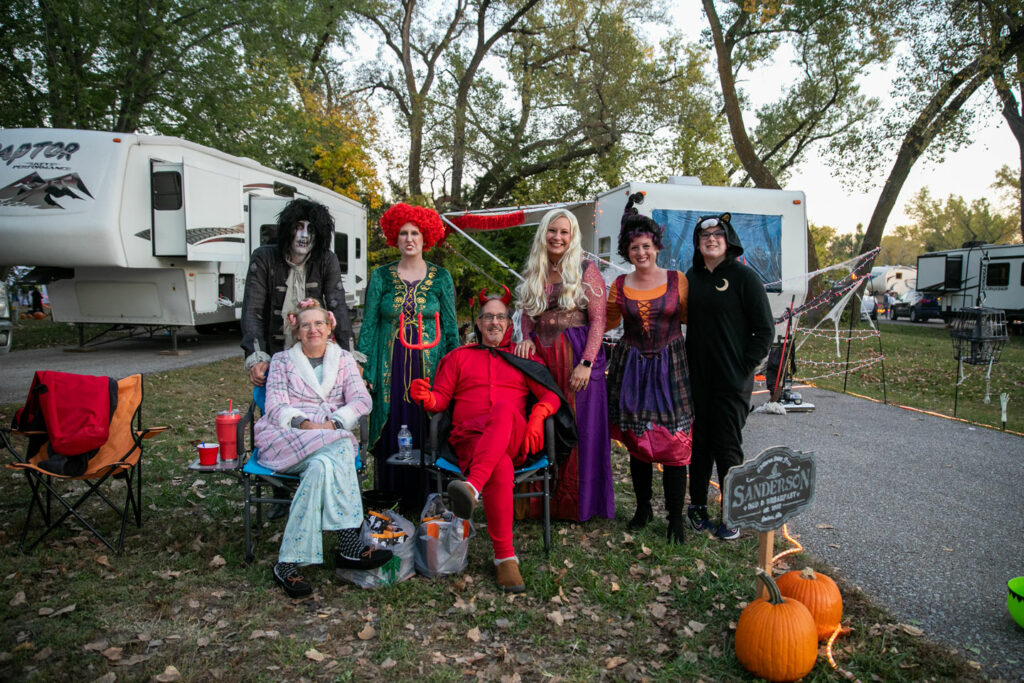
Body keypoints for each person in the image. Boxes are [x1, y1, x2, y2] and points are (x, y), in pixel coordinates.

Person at [409, 289, 575, 593]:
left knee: (503, 410)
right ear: (479, 323)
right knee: (498, 465)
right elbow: (441, 400)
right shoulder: (457, 357)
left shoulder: (521, 357)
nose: (494, 322)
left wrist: (539, 414)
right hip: (470, 442)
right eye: (488, 316)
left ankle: (470, 488)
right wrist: (426, 396)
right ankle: (504, 559)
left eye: (500, 316)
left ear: (509, 324)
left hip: (513, 435)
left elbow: (551, 394)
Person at [255, 300, 390, 597]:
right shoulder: (281, 361)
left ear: (330, 328)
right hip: (287, 435)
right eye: (306, 325)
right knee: (341, 445)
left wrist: (336, 422)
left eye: (319, 324)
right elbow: (276, 404)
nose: (313, 329)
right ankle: (348, 543)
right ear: (297, 330)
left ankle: (287, 563)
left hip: (328, 435)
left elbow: (361, 401)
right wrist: (306, 425)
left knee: (320, 467)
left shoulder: (342, 359)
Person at [357, 203, 458, 514]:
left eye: (415, 232)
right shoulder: (381, 276)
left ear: (426, 236)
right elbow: (370, 324)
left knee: (426, 424)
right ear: (394, 237)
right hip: (390, 364)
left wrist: (457, 369)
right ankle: (389, 497)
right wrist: (361, 366)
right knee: (392, 425)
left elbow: (452, 326)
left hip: (430, 366)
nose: (409, 238)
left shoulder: (441, 278)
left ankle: (427, 497)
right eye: (403, 233)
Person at [605, 193, 695, 544]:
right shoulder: (619, 286)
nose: (640, 253)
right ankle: (643, 509)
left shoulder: (678, 281)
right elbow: (605, 322)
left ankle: (676, 519)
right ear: (627, 253)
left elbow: (693, 320)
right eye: (633, 249)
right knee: (638, 441)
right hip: (631, 368)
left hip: (671, 366)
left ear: (656, 246)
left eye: (645, 246)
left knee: (674, 444)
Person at [513, 208, 612, 522]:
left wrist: (586, 362)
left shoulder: (587, 268)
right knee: (545, 424)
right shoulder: (537, 270)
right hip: (543, 362)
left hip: (577, 360)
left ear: (572, 237)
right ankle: (544, 503)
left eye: (564, 232)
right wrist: (527, 337)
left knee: (580, 428)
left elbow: (599, 322)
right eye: (552, 231)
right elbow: (529, 317)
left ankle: (578, 504)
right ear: (544, 234)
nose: (557, 237)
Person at [685, 213, 773, 540]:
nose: (711, 238)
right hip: (696, 380)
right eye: (704, 235)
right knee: (699, 447)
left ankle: (731, 514)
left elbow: (764, 330)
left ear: (728, 239)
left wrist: (743, 367)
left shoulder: (744, 278)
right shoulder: (690, 278)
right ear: (697, 243)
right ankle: (696, 507)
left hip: (731, 382)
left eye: (717, 234)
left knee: (727, 447)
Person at [241, 198, 355, 388]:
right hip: (275, 351)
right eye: (298, 227)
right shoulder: (263, 257)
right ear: (288, 229)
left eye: (311, 230)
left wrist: (350, 357)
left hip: (316, 351)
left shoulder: (327, 259)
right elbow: (253, 310)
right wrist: (257, 356)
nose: (304, 235)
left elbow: (338, 307)